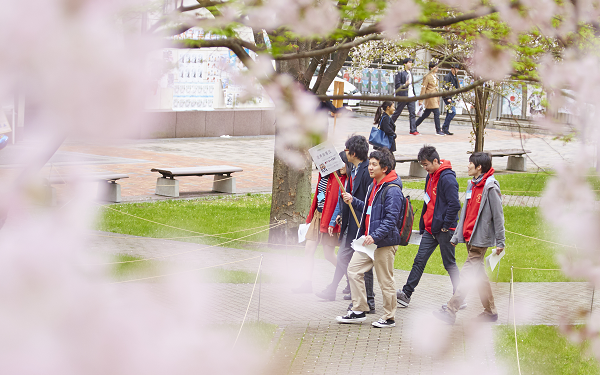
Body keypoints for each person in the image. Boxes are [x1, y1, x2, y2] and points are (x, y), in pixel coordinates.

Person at [433, 152, 505, 324]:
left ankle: (451, 310)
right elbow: (465, 212)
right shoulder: (471, 185)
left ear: (479, 167)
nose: (468, 166)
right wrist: (457, 235)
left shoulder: (491, 187)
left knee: (466, 275)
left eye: (470, 163)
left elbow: (499, 215)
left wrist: (500, 242)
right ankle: (490, 312)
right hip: (469, 237)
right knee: (480, 276)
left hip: (480, 240)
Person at [336, 148, 404, 328]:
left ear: (386, 168)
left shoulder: (393, 190)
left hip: (383, 243)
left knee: (385, 281)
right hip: (368, 241)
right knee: (353, 270)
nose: (370, 168)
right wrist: (353, 200)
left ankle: (389, 317)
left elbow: (391, 220)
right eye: (370, 164)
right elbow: (369, 209)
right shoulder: (373, 186)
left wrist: (375, 236)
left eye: (375, 164)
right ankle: (359, 309)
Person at [316, 135, 377, 314]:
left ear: (354, 153)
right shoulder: (355, 170)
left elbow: (368, 200)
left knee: (362, 262)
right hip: (351, 223)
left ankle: (367, 299)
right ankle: (355, 295)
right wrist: (341, 214)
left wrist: (353, 202)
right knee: (346, 258)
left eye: (347, 149)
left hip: (361, 224)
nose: (344, 152)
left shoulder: (366, 171)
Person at [396, 145, 461, 308]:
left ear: (436, 161)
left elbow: (454, 205)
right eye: (422, 165)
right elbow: (427, 201)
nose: (424, 168)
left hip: (445, 230)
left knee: (449, 264)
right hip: (430, 229)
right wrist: (423, 224)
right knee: (419, 260)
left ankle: (459, 297)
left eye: (426, 165)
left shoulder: (448, 178)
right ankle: (406, 294)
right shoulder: (430, 176)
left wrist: (446, 226)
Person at [292, 156, 348, 293]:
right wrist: (310, 217)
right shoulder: (323, 176)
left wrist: (332, 221)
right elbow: (318, 196)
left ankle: (351, 279)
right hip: (318, 216)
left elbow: (338, 202)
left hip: (329, 219)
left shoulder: (340, 178)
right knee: (308, 249)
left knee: (328, 254)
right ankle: (307, 283)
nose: (320, 165)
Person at [391, 58, 419, 135]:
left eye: (411, 62)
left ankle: (413, 129)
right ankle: (388, 125)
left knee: (412, 113)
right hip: (403, 96)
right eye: (409, 62)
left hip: (411, 96)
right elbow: (397, 85)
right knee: (397, 112)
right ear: (405, 64)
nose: (411, 64)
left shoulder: (411, 73)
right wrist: (404, 85)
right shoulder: (400, 72)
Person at [415, 61, 444, 136]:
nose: (437, 68)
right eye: (435, 66)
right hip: (430, 97)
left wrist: (438, 99)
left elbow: (436, 88)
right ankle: (438, 130)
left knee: (426, 114)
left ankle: (414, 125)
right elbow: (423, 88)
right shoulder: (427, 76)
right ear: (431, 67)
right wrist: (421, 99)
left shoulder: (435, 76)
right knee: (436, 113)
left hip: (435, 97)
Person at [441, 64, 461, 135]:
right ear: (451, 68)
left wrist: (458, 97)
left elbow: (457, 88)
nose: (457, 70)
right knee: (453, 112)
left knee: (450, 112)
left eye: (458, 69)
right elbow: (446, 88)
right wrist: (448, 98)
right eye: (455, 69)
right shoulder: (447, 76)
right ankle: (444, 127)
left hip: (452, 97)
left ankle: (445, 129)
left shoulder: (455, 77)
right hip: (447, 97)